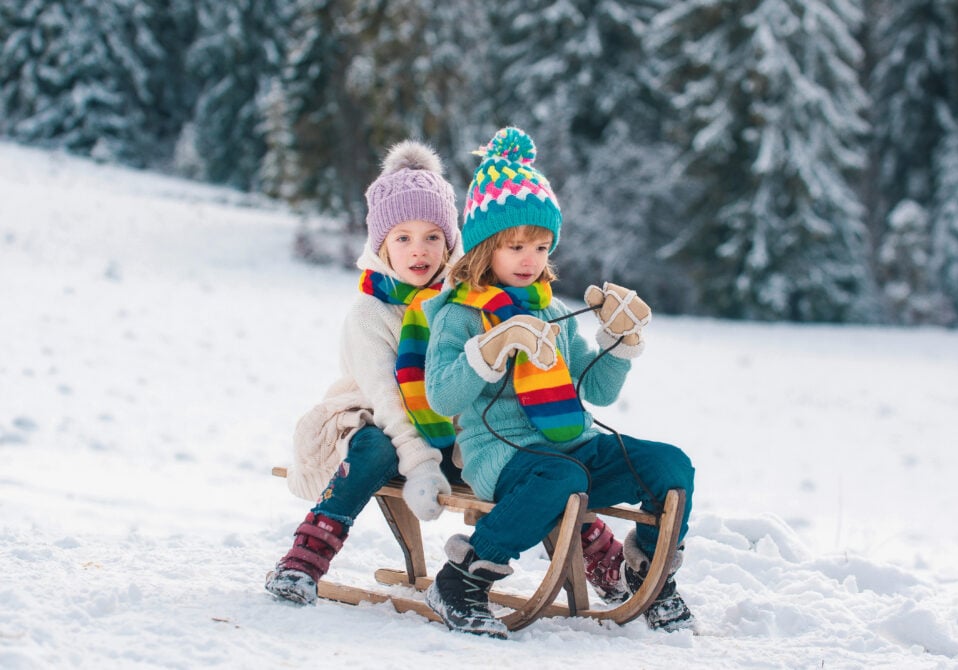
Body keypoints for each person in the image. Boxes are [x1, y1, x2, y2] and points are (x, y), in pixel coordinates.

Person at [420, 127, 696, 639]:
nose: (531, 259)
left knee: (669, 464)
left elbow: (598, 392)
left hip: (574, 447)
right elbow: (440, 396)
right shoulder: (458, 316)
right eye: (517, 246)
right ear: (485, 247)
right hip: (501, 457)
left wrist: (620, 342)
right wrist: (490, 350)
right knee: (561, 478)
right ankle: (462, 579)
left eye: (542, 246)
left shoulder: (555, 310)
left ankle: (647, 574)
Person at [265, 140, 465, 605]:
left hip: (445, 425)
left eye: (433, 237)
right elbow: (388, 400)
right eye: (403, 238)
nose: (419, 251)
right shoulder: (370, 313)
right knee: (374, 448)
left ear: (450, 242)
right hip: (376, 416)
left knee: (522, 450)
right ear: (381, 245)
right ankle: (304, 559)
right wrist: (419, 463)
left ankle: (601, 558)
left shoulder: (460, 304)